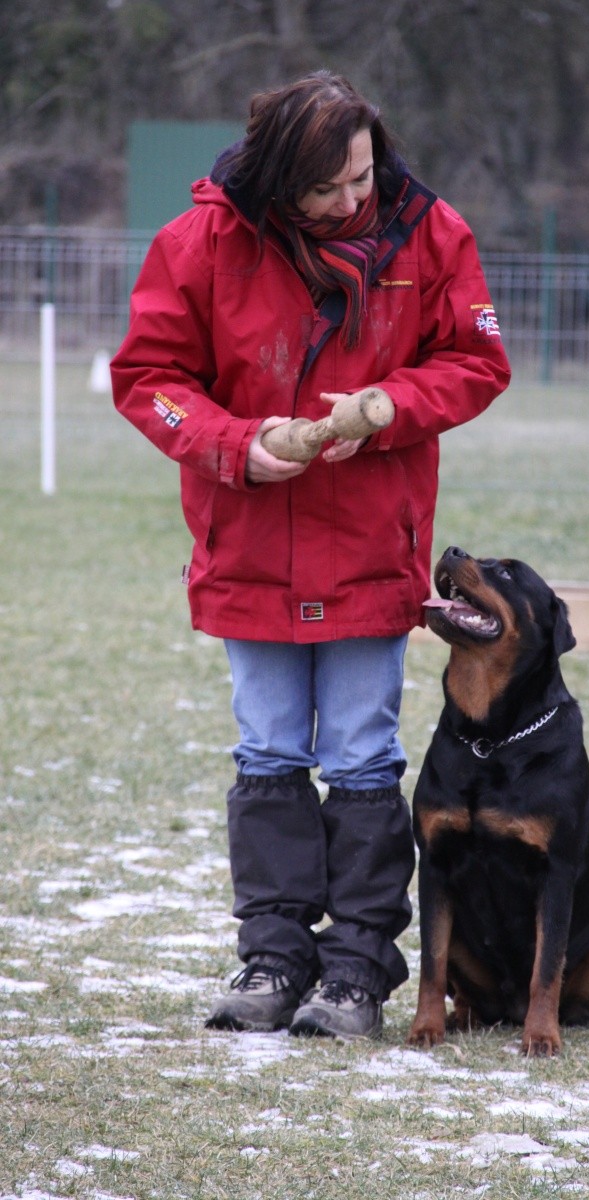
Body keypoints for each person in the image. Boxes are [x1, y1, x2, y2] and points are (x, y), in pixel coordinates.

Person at [111, 70, 510, 1040]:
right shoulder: (195, 245)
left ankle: (355, 970)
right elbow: (150, 379)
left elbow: (476, 360)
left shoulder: (432, 234)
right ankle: (272, 957)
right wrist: (236, 445)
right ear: (275, 177)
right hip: (245, 546)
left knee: (362, 755)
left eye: (361, 178)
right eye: (325, 189)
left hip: (371, 544)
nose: (351, 201)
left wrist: (384, 407)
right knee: (267, 752)